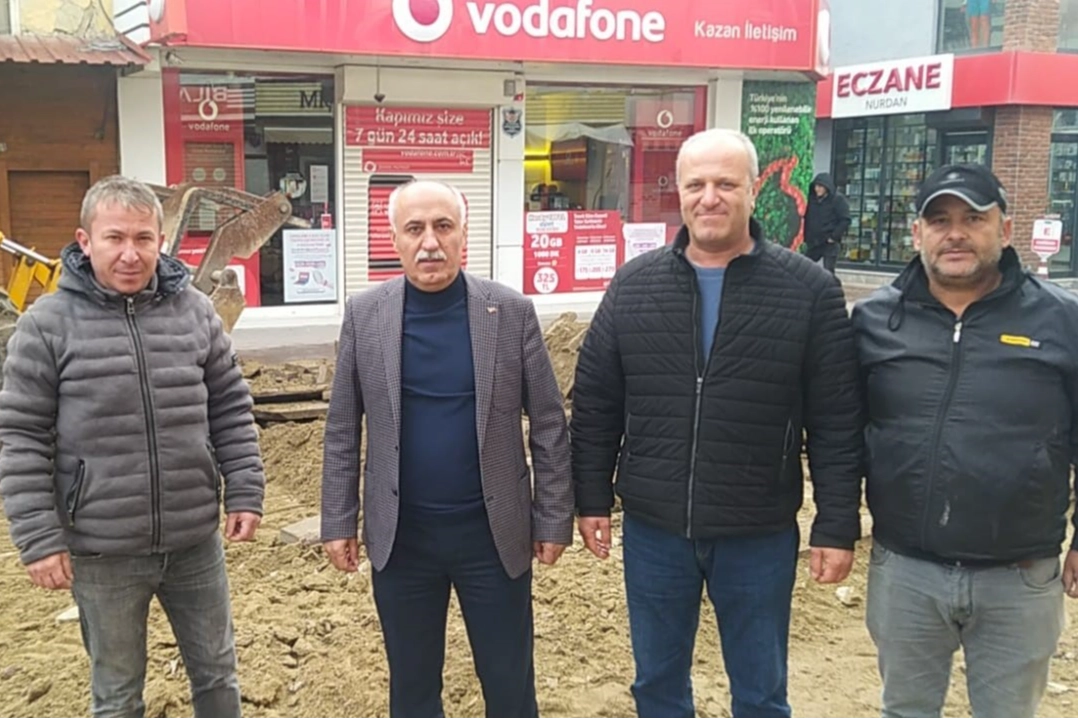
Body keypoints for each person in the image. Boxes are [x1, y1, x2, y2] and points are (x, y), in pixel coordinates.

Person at [570, 128, 865, 719]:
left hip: (758, 532)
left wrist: (837, 523)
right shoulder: (634, 285)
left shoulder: (809, 290)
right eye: (696, 185)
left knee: (760, 691)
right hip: (655, 530)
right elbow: (597, 401)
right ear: (679, 193)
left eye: (726, 184)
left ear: (753, 191)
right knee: (657, 686)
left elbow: (836, 419)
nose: (710, 198)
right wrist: (592, 497)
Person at [0, 175, 265, 719]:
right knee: (118, 694)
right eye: (115, 238)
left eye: (144, 238)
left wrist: (244, 489)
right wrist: (39, 537)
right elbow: (21, 437)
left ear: (160, 241)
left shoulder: (195, 312)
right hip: (103, 550)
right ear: (85, 241)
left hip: (194, 542)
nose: (130, 253)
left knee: (218, 676)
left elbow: (230, 408)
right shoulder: (45, 326)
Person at [320, 179, 574, 719]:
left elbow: (549, 423)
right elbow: (342, 427)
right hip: (402, 540)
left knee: (508, 682)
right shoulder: (365, 314)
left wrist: (553, 518)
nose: (429, 242)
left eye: (443, 226)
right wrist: (338, 519)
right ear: (395, 238)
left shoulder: (510, 312)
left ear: (464, 234)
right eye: (414, 229)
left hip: (493, 537)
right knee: (412, 688)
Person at [852, 162, 1078, 719]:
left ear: (1005, 230)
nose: (955, 234)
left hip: (1020, 575)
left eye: (973, 219)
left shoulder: (1062, 322)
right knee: (904, 710)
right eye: (939, 220)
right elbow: (841, 434)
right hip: (905, 569)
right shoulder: (874, 321)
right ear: (917, 234)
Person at [803, 172, 851, 275]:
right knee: (803, 267)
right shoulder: (812, 200)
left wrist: (834, 237)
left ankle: (830, 286)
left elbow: (845, 219)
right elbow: (807, 218)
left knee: (828, 272)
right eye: (816, 186)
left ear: (827, 187)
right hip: (814, 242)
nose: (817, 189)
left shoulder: (838, 200)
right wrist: (806, 238)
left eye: (820, 187)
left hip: (830, 243)